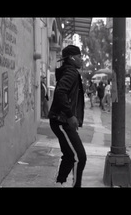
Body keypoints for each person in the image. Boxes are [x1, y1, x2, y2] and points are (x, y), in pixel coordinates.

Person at [47, 45, 86, 188]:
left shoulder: (69, 71)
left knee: (69, 155)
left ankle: (60, 183)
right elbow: (60, 92)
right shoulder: (71, 72)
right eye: (80, 56)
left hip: (60, 120)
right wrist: (70, 116)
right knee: (79, 157)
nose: (81, 59)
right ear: (72, 58)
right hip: (62, 120)